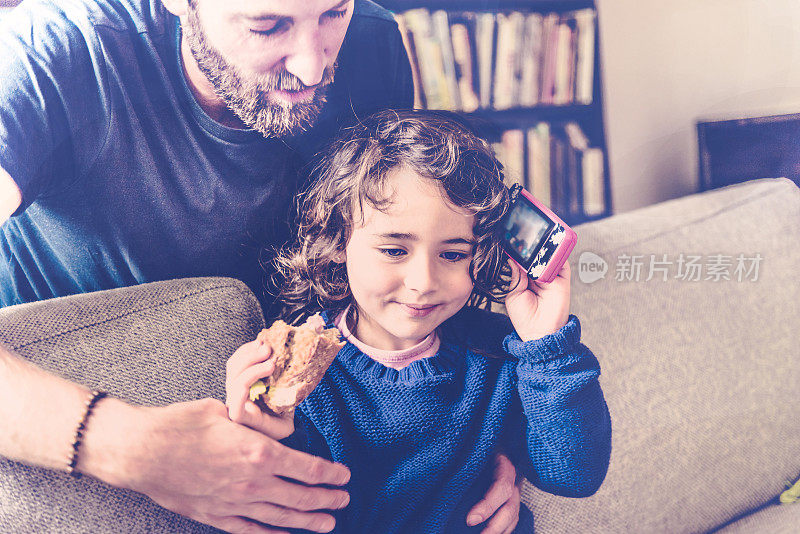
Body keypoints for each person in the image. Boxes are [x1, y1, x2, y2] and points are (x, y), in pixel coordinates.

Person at [0, 0, 522, 532]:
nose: (312, 67)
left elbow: (401, 263)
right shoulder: (50, 52)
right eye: (267, 26)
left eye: (333, 14)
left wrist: (469, 441)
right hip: (67, 428)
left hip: (305, 427)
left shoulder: (371, 41)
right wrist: (136, 448)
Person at [226, 109, 613, 532]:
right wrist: (268, 432)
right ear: (339, 240)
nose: (424, 282)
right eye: (394, 250)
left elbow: (574, 475)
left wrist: (547, 345)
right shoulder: (298, 373)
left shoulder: (499, 353)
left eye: (453, 254)